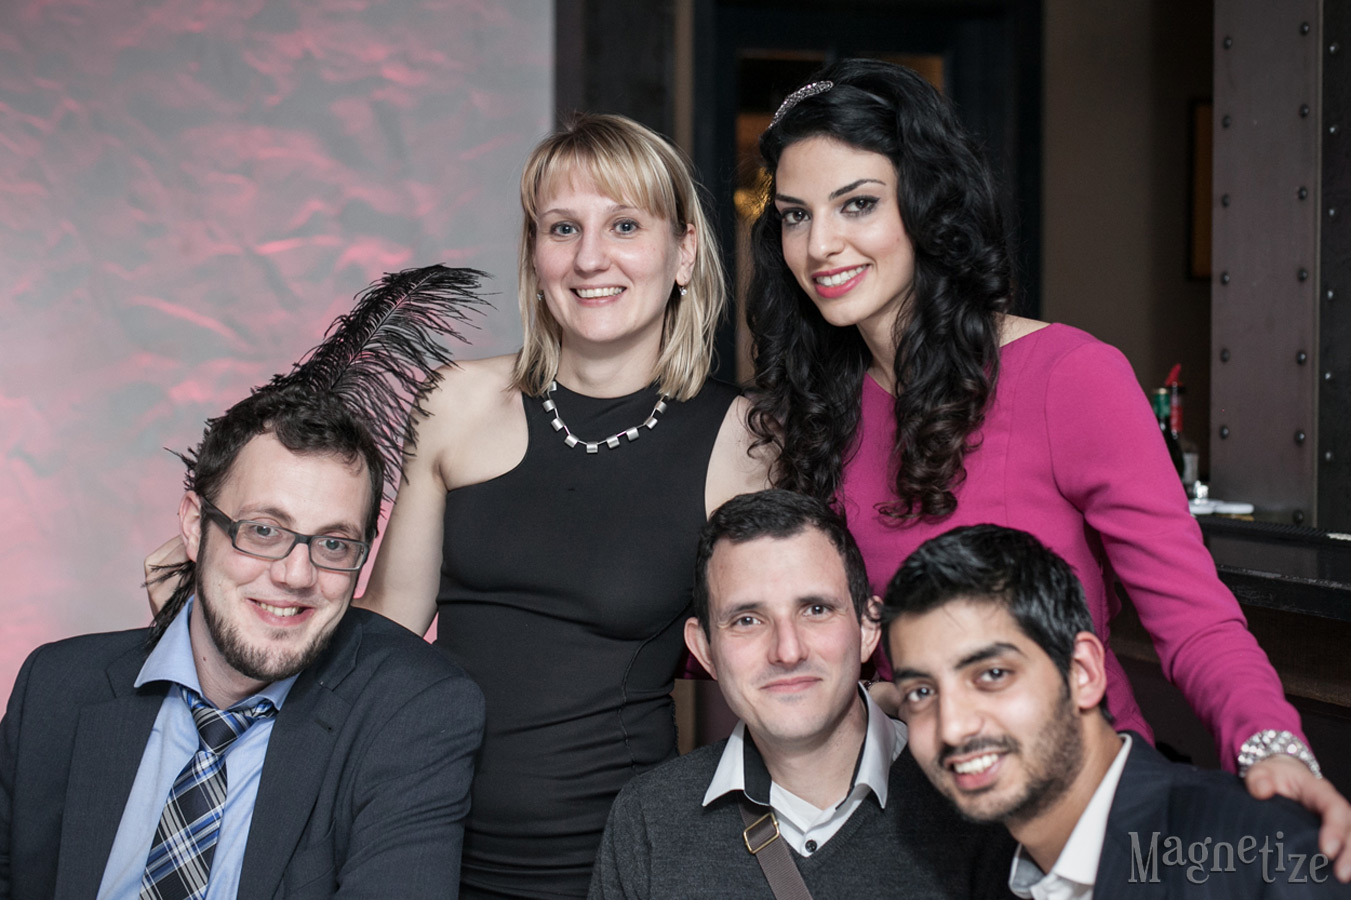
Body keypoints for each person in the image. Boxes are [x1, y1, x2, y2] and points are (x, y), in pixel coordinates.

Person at [744, 57, 1351, 873]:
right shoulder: (818, 413)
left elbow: (1191, 617)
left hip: (1087, 819)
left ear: (926, 206)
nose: (820, 244)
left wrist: (1269, 745)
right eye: (795, 215)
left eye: (857, 203)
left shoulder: (1068, 376)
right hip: (913, 828)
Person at [358, 114, 769, 898]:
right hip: (420, 832)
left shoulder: (743, 444)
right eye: (562, 228)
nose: (589, 258)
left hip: (613, 861)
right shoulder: (454, 401)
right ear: (534, 253)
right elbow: (387, 627)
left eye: (624, 225)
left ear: (683, 252)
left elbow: (768, 668)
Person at [0, 385, 485, 900]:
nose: (296, 575)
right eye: (264, 531)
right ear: (195, 526)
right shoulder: (55, 687)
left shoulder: (414, 712)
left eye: (334, 544)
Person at [588, 489, 1014, 900]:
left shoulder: (975, 798)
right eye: (747, 620)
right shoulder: (648, 820)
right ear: (705, 651)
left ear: (868, 628)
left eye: (816, 610)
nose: (788, 651)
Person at [883, 524, 1343, 898]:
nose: (952, 727)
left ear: (1083, 672)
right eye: (921, 692)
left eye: (993, 674)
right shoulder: (980, 870)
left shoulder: (1262, 857)